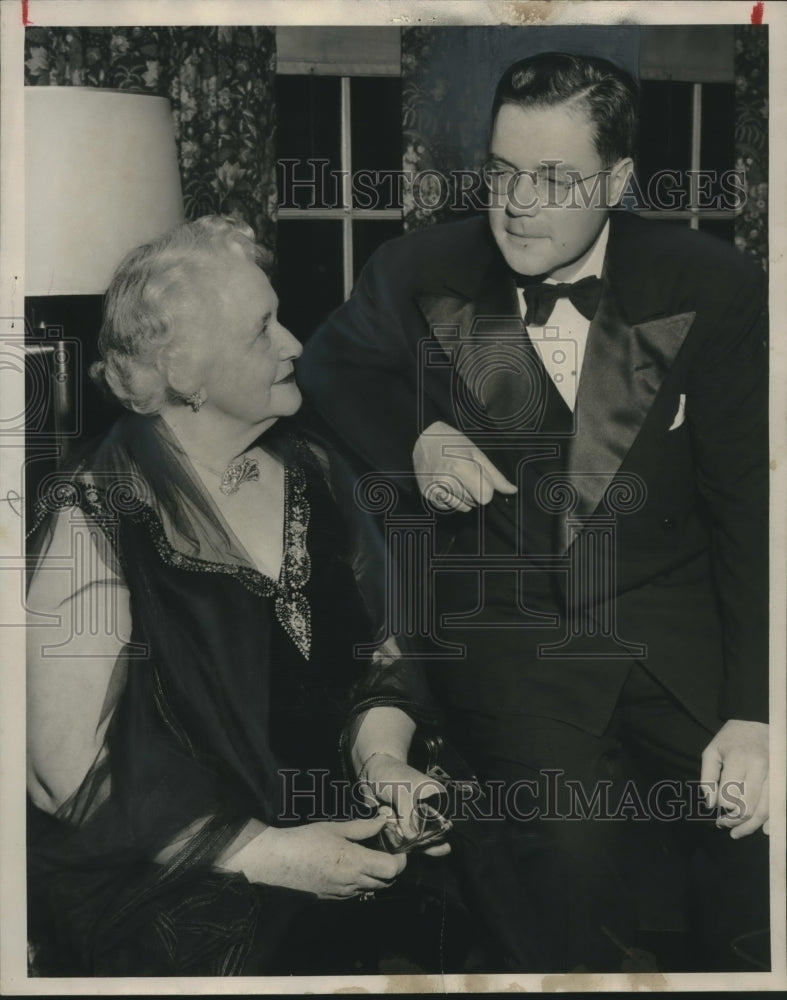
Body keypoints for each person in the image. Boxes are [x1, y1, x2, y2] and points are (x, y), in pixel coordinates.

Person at [298, 52, 770, 971]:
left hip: (675, 630)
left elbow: (749, 508)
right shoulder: (419, 267)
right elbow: (329, 367)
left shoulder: (710, 283)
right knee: (563, 866)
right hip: (512, 632)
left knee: (761, 844)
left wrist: (756, 715)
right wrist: (417, 439)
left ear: (619, 181)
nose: (517, 202)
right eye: (503, 172)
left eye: (554, 179)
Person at [25, 215, 454, 977]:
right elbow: (65, 776)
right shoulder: (91, 513)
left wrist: (383, 763)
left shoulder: (318, 472)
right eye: (263, 330)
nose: (294, 344)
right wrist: (264, 853)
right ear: (186, 371)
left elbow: (376, 661)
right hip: (177, 884)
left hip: (339, 845)